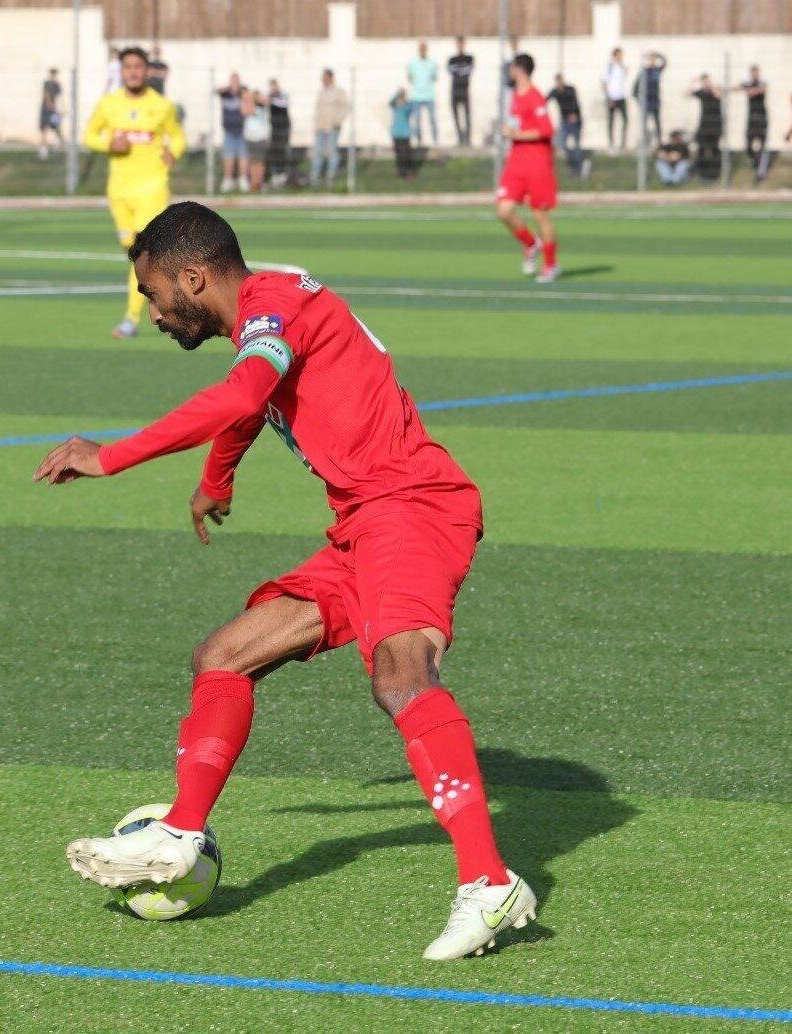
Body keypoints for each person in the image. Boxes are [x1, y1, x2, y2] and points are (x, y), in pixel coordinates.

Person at [38, 200, 538, 962]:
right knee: (223, 656)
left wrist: (110, 456)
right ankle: (179, 832)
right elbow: (254, 400)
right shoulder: (263, 315)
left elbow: (241, 395)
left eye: (153, 293)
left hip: (411, 509)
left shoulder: (273, 311)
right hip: (362, 526)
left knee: (402, 677)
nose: (153, 310)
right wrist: (217, 480)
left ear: (193, 277)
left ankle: (490, 882)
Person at [83, 46, 185, 340]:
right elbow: (89, 135)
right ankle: (166, 291)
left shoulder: (161, 105)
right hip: (119, 190)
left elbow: (176, 136)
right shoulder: (108, 104)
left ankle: (131, 318)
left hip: (152, 187)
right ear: (121, 71)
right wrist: (108, 144)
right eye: (127, 67)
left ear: (146, 71)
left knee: (141, 253)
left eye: (138, 67)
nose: (133, 72)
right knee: (133, 250)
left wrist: (173, 152)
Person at [496, 53, 559, 284]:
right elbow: (518, 124)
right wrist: (509, 130)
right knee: (503, 210)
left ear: (519, 69)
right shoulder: (515, 95)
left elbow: (546, 130)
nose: (509, 71)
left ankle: (551, 265)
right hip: (516, 162)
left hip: (537, 163)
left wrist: (516, 134)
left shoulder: (535, 96)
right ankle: (532, 244)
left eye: (512, 67)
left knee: (539, 214)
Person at [311, 68, 349, 186]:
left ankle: (330, 177)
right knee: (317, 152)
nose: (323, 80)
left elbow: (345, 108)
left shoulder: (339, 92)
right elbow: (317, 109)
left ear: (331, 78)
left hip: (332, 127)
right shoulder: (321, 91)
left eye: (325, 77)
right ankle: (315, 177)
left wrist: (337, 121)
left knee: (332, 151)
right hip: (320, 126)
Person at [546, 73, 584, 177]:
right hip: (565, 122)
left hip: (575, 120)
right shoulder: (555, 92)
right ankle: (572, 166)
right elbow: (545, 100)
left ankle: (579, 168)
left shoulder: (570, 90)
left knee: (576, 145)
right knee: (563, 145)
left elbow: (575, 103)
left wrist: (574, 115)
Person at [689, 75, 723, 181]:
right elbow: (687, 93)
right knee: (701, 149)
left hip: (715, 126)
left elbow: (719, 95)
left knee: (714, 150)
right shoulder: (702, 93)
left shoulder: (715, 90)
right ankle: (702, 174)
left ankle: (715, 175)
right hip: (704, 126)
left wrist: (711, 86)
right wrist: (694, 82)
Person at [217, 73, 246, 192]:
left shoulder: (243, 92)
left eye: (236, 81)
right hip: (228, 130)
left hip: (242, 130)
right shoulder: (225, 93)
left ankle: (243, 180)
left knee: (243, 155)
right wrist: (230, 88)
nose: (234, 83)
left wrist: (239, 90)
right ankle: (227, 180)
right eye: (232, 81)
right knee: (228, 156)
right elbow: (217, 90)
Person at [738, 66, 768, 176]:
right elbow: (738, 88)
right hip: (751, 118)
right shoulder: (747, 84)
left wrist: (748, 89)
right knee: (748, 143)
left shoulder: (762, 83)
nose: (754, 75)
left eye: (756, 73)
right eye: (752, 73)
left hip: (761, 118)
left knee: (762, 145)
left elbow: (760, 90)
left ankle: (761, 171)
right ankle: (755, 162)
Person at [632, 51, 666, 145]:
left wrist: (657, 54)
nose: (652, 61)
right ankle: (645, 141)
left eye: (654, 59)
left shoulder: (657, 70)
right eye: (651, 59)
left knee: (657, 123)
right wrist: (640, 101)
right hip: (646, 103)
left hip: (655, 102)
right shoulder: (643, 72)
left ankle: (659, 141)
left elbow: (665, 62)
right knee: (644, 124)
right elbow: (634, 91)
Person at [407, 40, 437, 146]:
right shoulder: (412, 63)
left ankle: (435, 141)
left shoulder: (432, 64)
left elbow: (434, 78)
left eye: (424, 49)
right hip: (416, 96)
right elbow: (409, 77)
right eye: (421, 49)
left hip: (429, 96)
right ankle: (419, 141)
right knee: (417, 121)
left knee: (432, 119)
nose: (423, 51)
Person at [241, 88, 270, 192]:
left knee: (260, 162)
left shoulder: (262, 107)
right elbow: (245, 111)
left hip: (260, 138)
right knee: (253, 162)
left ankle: (259, 183)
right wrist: (250, 98)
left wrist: (256, 97)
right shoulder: (250, 106)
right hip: (250, 137)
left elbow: (265, 101)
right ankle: (254, 184)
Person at [447, 36, 474, 146]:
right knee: (456, 116)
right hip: (455, 90)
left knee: (467, 115)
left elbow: (468, 70)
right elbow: (451, 70)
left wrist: (459, 70)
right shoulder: (452, 59)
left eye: (462, 43)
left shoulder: (469, 58)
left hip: (465, 90)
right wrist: (461, 70)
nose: (460, 46)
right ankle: (459, 138)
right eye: (458, 43)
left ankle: (467, 139)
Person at [601, 47, 629, 151]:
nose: (621, 57)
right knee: (611, 121)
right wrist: (608, 97)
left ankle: (623, 143)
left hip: (621, 97)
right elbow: (604, 83)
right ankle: (611, 143)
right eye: (619, 55)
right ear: (615, 55)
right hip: (612, 97)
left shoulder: (622, 66)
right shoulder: (609, 67)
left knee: (625, 120)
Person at [267, 80, 291, 187]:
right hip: (274, 129)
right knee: (275, 152)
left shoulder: (283, 95)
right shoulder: (269, 96)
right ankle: (276, 174)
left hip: (284, 128)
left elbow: (283, 103)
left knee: (283, 151)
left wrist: (271, 100)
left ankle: (283, 174)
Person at [390, 88, 415, 177]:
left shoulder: (407, 106)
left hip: (405, 133)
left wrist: (404, 98)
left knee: (406, 153)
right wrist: (397, 94)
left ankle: (408, 171)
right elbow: (391, 102)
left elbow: (412, 106)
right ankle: (401, 171)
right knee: (398, 153)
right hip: (396, 133)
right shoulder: (395, 105)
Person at [38, 68, 63, 159]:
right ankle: (43, 150)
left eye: (54, 74)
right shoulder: (47, 83)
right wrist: (49, 104)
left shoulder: (57, 85)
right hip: (45, 110)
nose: (53, 76)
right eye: (52, 74)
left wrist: (57, 107)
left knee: (56, 127)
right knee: (44, 128)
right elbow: (46, 94)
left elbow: (59, 97)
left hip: (53, 110)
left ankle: (59, 143)